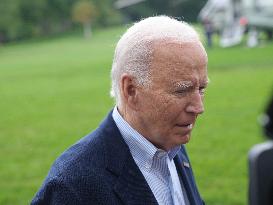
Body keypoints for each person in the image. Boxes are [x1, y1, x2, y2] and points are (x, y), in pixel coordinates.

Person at [31, 16, 209, 205]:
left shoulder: (171, 145)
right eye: (181, 90)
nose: (199, 108)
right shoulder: (71, 187)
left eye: (201, 89)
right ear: (131, 90)